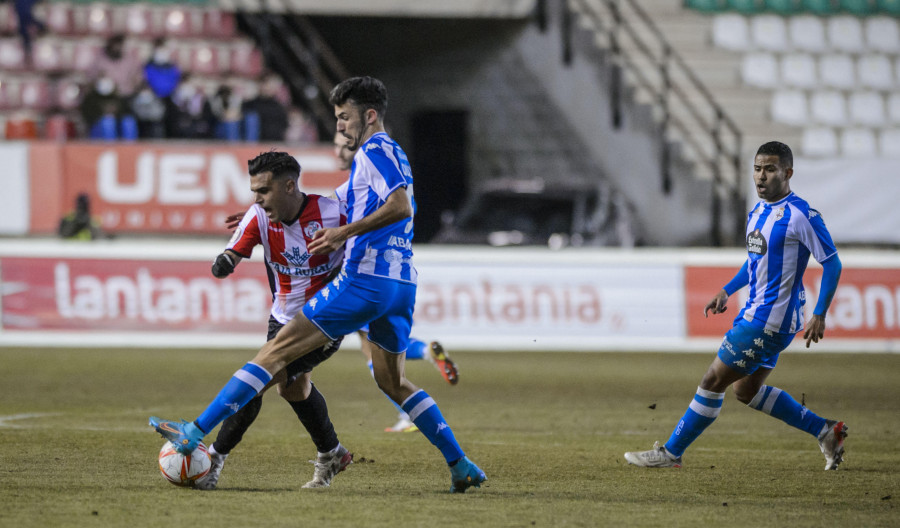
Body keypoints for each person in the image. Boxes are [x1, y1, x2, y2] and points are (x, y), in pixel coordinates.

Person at [150, 76, 486, 493]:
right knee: (392, 382)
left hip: (366, 279)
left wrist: (347, 234)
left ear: (369, 115)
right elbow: (344, 202)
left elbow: (400, 207)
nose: (341, 128)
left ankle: (195, 432)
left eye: (344, 118)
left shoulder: (375, 149)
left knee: (273, 354)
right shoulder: (388, 156)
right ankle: (460, 463)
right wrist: (261, 208)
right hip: (402, 283)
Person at [624, 141, 847, 470]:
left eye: (770, 169)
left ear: (788, 173)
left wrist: (820, 313)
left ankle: (670, 453)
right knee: (746, 391)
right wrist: (727, 290)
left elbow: (832, 263)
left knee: (712, 381)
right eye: (757, 169)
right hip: (759, 315)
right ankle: (825, 430)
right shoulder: (757, 212)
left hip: (768, 320)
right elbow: (755, 261)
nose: (761, 176)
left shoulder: (801, 215)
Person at [195, 151, 352, 490]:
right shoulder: (258, 216)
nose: (257, 199)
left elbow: (367, 239)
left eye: (264, 191)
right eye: (254, 191)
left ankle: (212, 460)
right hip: (281, 318)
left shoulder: (333, 214)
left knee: (257, 381)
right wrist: (224, 262)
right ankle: (332, 452)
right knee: (293, 388)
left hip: (324, 320)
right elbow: (233, 252)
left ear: (290, 186)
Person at [332, 131, 460, 433]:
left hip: (368, 276)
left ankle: (407, 413)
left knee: (373, 352)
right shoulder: (370, 180)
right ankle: (427, 351)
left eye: (341, 145)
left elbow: (397, 208)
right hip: (396, 274)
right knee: (382, 346)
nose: (338, 151)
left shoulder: (369, 178)